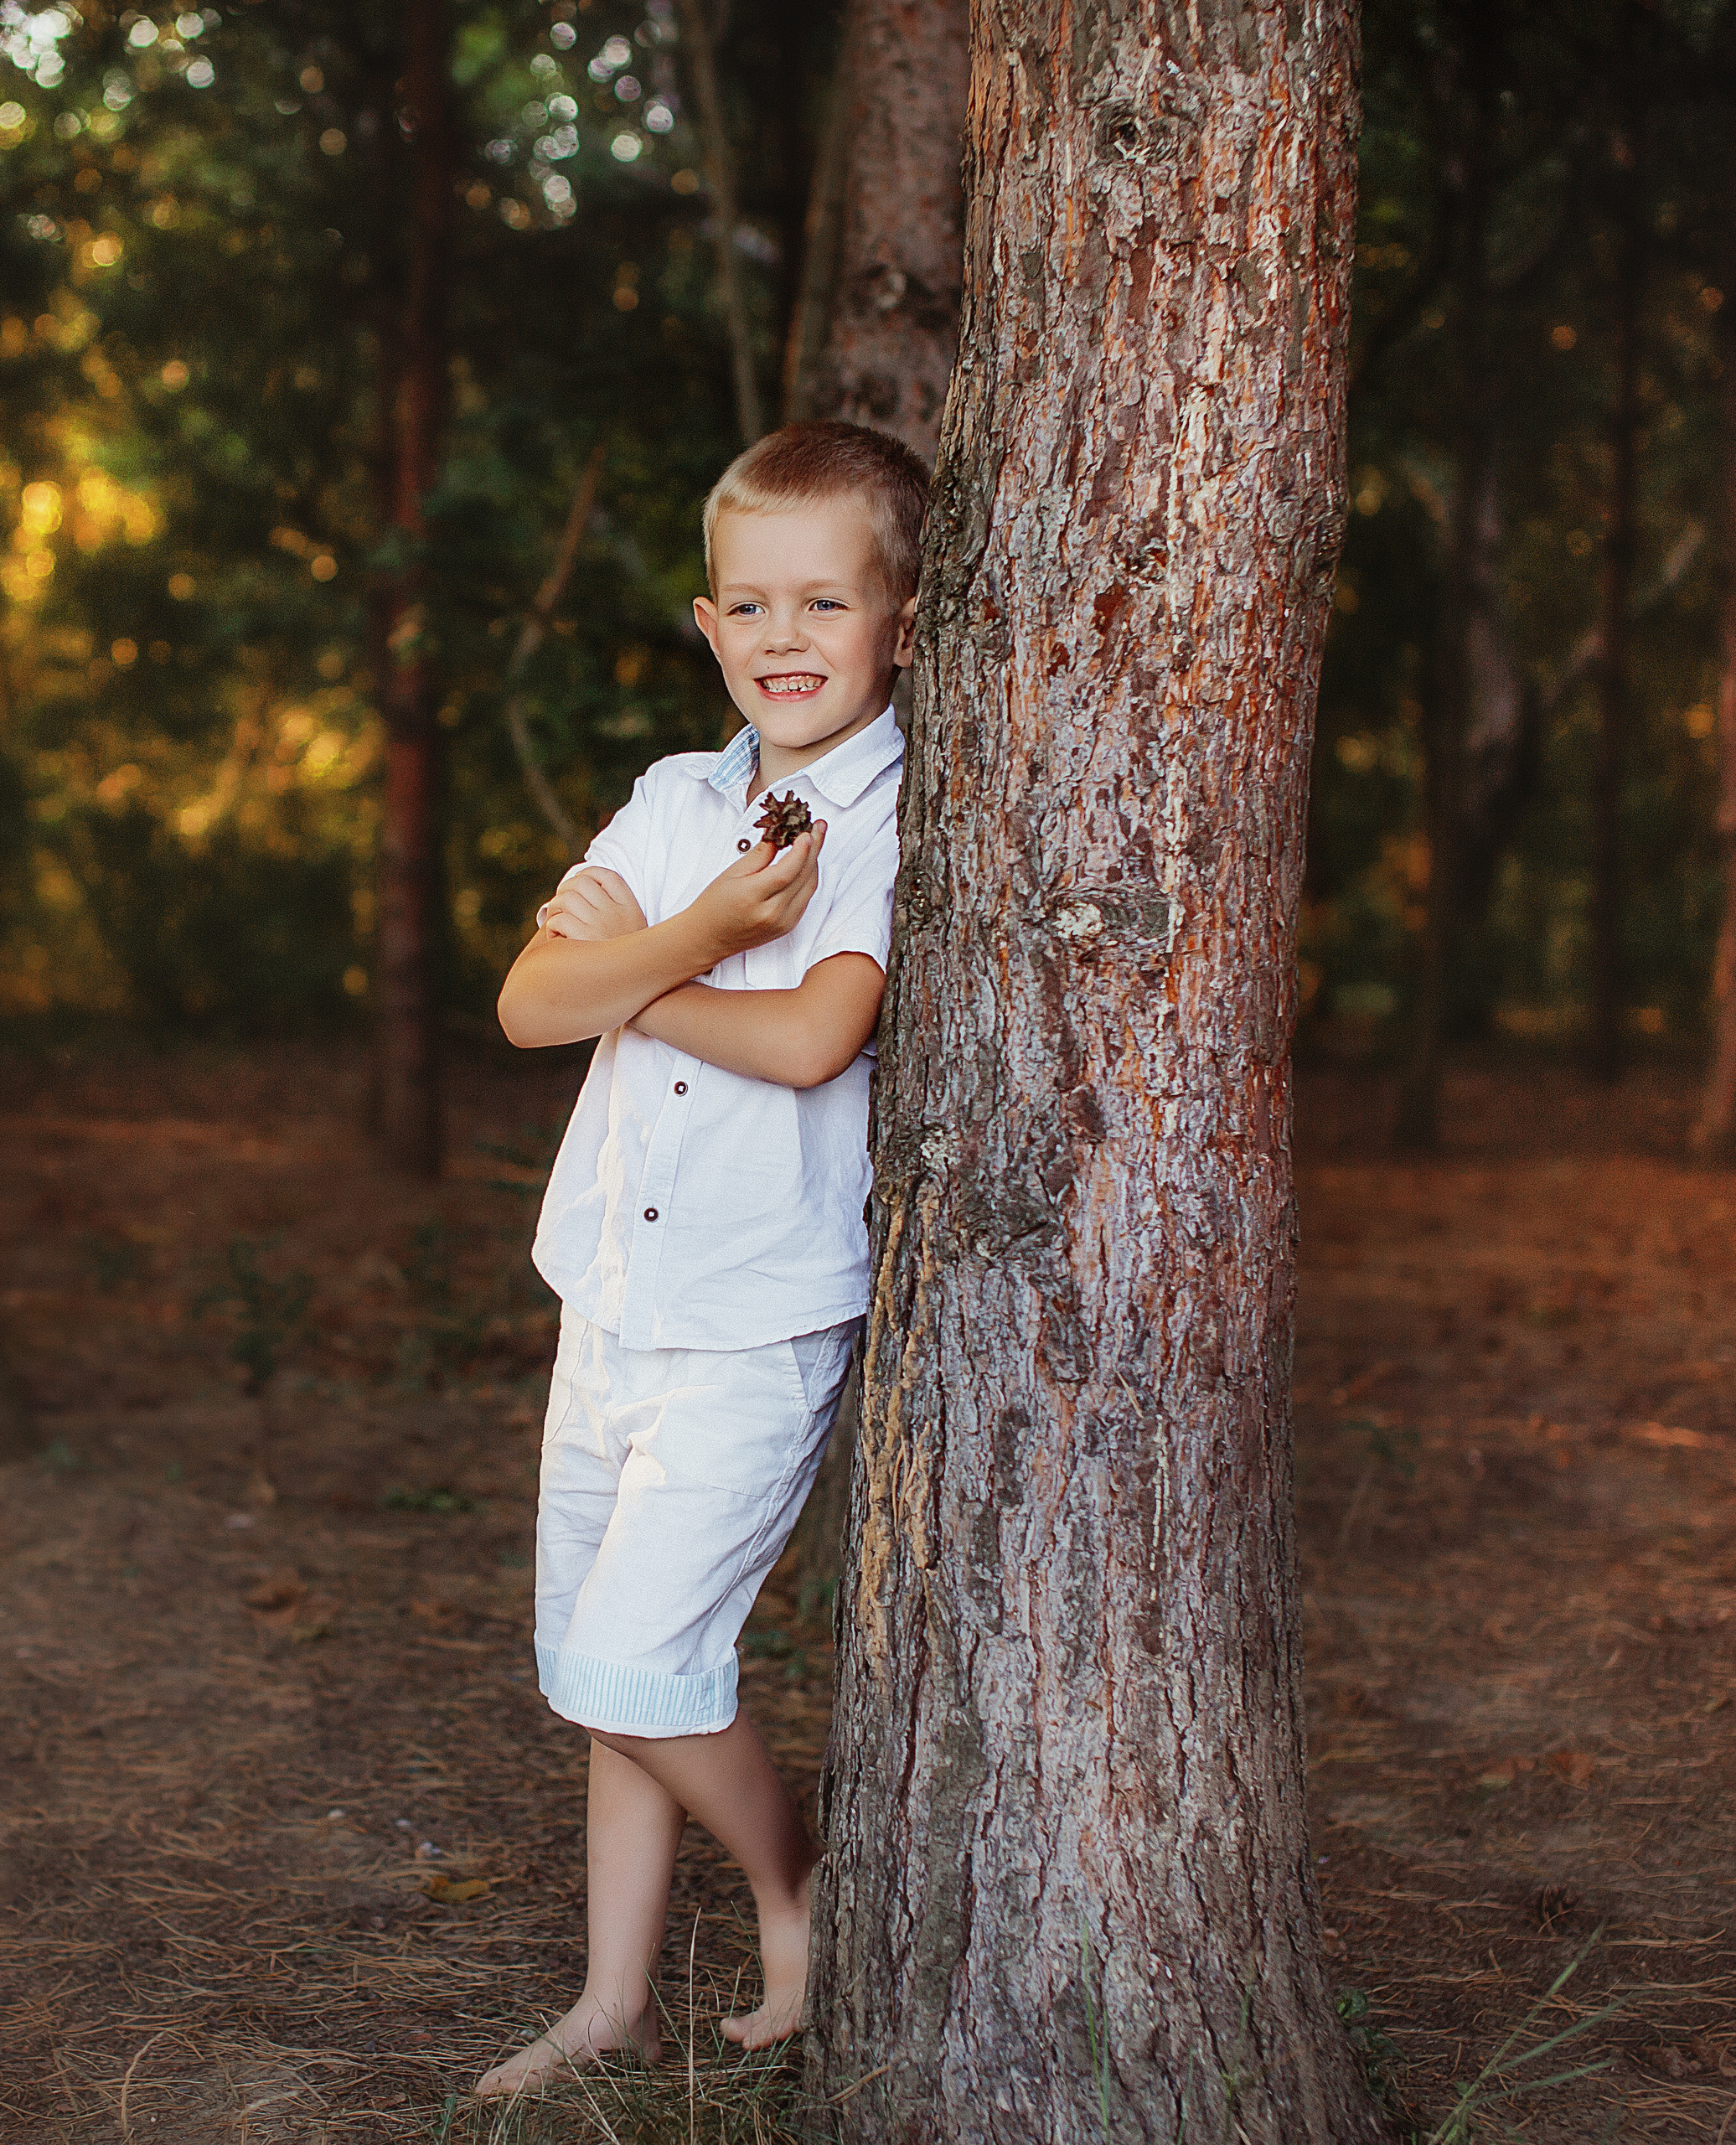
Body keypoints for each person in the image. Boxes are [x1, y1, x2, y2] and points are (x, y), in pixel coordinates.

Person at [478, 421, 927, 2099]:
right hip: (609, 1295)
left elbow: (817, 1036)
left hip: (753, 1314)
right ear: (705, 619)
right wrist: (704, 934)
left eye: (824, 600)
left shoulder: (893, 812)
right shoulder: (676, 801)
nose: (783, 637)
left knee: (634, 1656)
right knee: (608, 1673)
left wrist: (650, 971)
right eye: (750, 604)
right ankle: (609, 2000)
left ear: (898, 619)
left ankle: (793, 1883)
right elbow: (532, 1002)